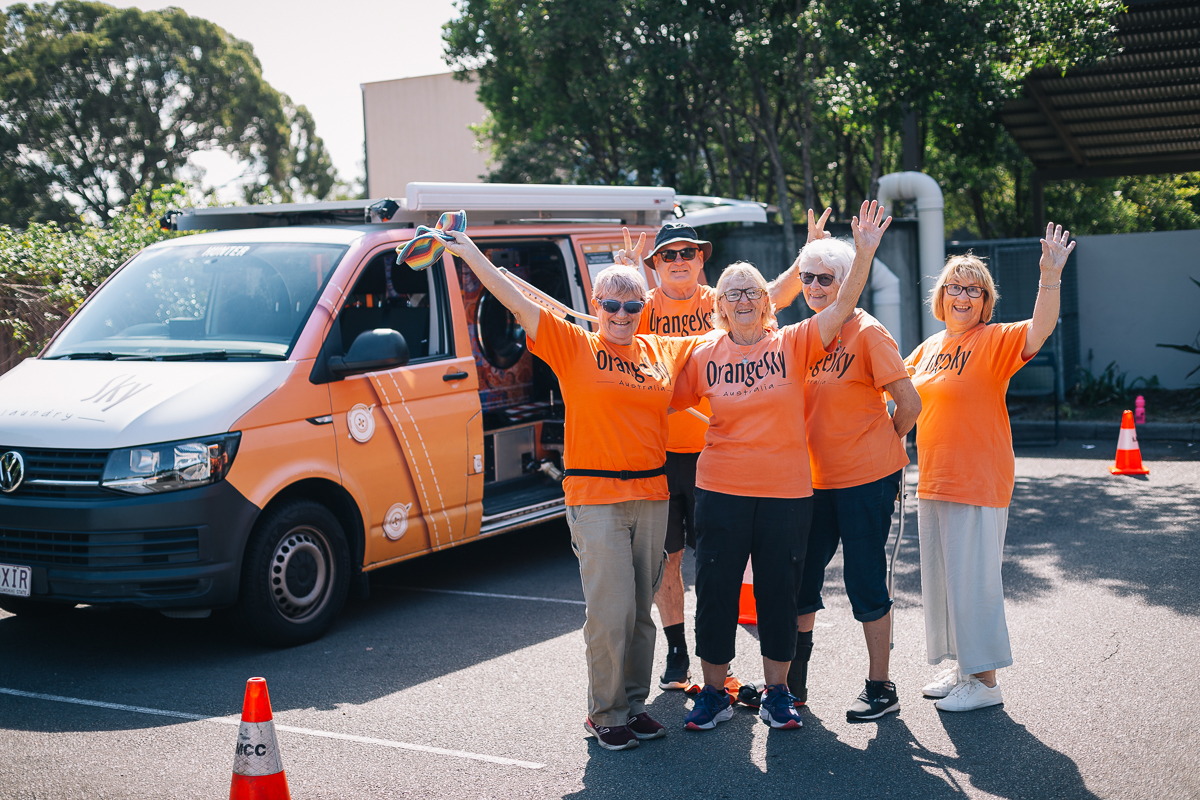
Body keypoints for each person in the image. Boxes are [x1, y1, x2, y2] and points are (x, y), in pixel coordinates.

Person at [445, 227, 703, 751]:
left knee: (639, 613)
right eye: (611, 305)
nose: (622, 315)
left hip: (652, 496)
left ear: (643, 307)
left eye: (632, 306)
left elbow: (739, 327)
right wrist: (468, 250)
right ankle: (604, 712)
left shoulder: (663, 350)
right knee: (609, 612)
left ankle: (633, 705)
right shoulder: (574, 344)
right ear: (596, 305)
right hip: (596, 499)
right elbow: (513, 296)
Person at [670, 200, 891, 731]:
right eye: (732, 294)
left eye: (752, 291)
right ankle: (715, 692)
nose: (743, 299)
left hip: (787, 494)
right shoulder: (703, 355)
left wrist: (862, 254)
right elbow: (666, 401)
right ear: (719, 306)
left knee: (778, 592)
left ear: (766, 300)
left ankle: (776, 693)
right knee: (718, 592)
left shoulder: (794, 344)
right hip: (720, 491)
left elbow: (842, 307)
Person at [904, 223, 1075, 712]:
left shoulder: (995, 340)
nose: (963, 296)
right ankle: (963, 670)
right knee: (946, 582)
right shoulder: (929, 348)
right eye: (954, 287)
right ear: (941, 296)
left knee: (974, 582)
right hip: (933, 479)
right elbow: (893, 400)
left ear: (985, 301)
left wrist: (1049, 276)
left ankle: (986, 682)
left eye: (973, 289)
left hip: (978, 480)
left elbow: (1040, 327)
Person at [629, 221, 803, 694]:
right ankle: (677, 651)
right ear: (656, 266)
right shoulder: (642, 308)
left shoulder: (721, 300)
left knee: (717, 568)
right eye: (668, 255)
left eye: (688, 253)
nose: (679, 261)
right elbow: (612, 340)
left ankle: (728, 674)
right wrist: (625, 278)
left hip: (715, 457)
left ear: (702, 259)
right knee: (669, 559)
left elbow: (775, 294)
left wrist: (807, 254)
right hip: (661, 454)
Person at [765, 208, 922, 721]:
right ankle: (795, 685)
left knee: (865, 581)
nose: (812, 285)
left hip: (866, 481)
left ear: (845, 282)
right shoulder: (801, 335)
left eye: (823, 278)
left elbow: (910, 404)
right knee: (802, 582)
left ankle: (881, 686)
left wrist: (878, 447)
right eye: (806, 277)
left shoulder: (868, 333)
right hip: (810, 484)